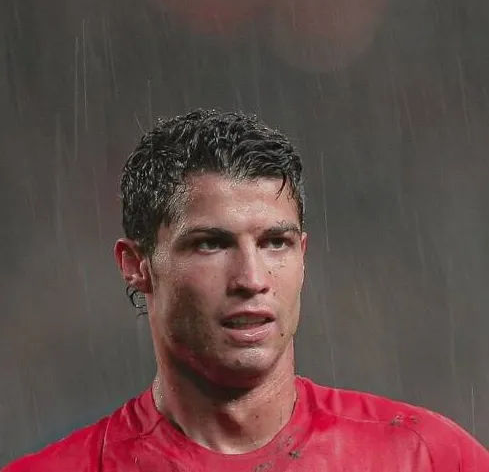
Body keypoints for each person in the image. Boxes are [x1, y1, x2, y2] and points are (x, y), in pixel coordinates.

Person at [3, 109, 489, 471]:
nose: (252, 279)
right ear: (136, 266)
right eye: (211, 244)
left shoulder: (427, 457)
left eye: (275, 242)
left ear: (303, 255)